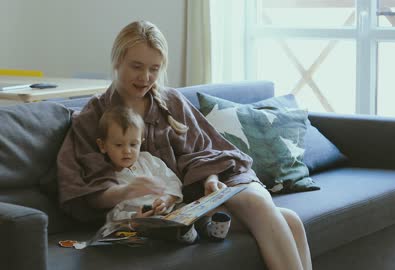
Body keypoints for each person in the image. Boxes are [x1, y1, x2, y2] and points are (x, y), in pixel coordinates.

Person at [57, 20, 312, 270]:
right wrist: (129, 191)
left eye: (154, 69)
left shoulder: (171, 102)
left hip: (205, 191)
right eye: (136, 66)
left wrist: (210, 179)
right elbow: (86, 191)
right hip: (164, 213)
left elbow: (205, 150)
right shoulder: (94, 116)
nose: (145, 77)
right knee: (287, 219)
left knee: (270, 208)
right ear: (117, 61)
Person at [96, 106, 231, 243]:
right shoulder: (108, 178)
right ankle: (185, 234)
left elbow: (173, 181)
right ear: (103, 145)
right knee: (154, 228)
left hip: (173, 208)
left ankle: (211, 230)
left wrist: (168, 199)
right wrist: (135, 218)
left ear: (141, 143)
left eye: (133, 144)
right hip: (147, 220)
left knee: (191, 211)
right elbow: (113, 215)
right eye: (119, 145)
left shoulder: (148, 160)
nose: (127, 151)